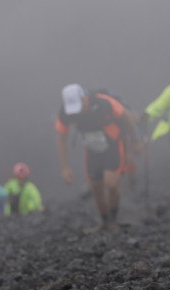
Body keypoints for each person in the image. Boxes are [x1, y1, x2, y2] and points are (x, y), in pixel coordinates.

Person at [56, 83, 139, 233]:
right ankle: (104, 221)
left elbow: (126, 116)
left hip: (113, 145)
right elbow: (61, 137)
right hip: (92, 150)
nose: (77, 112)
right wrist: (65, 167)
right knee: (96, 187)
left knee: (111, 183)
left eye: (79, 106)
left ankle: (113, 220)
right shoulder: (66, 113)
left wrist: (135, 141)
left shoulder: (103, 103)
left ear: (85, 98)